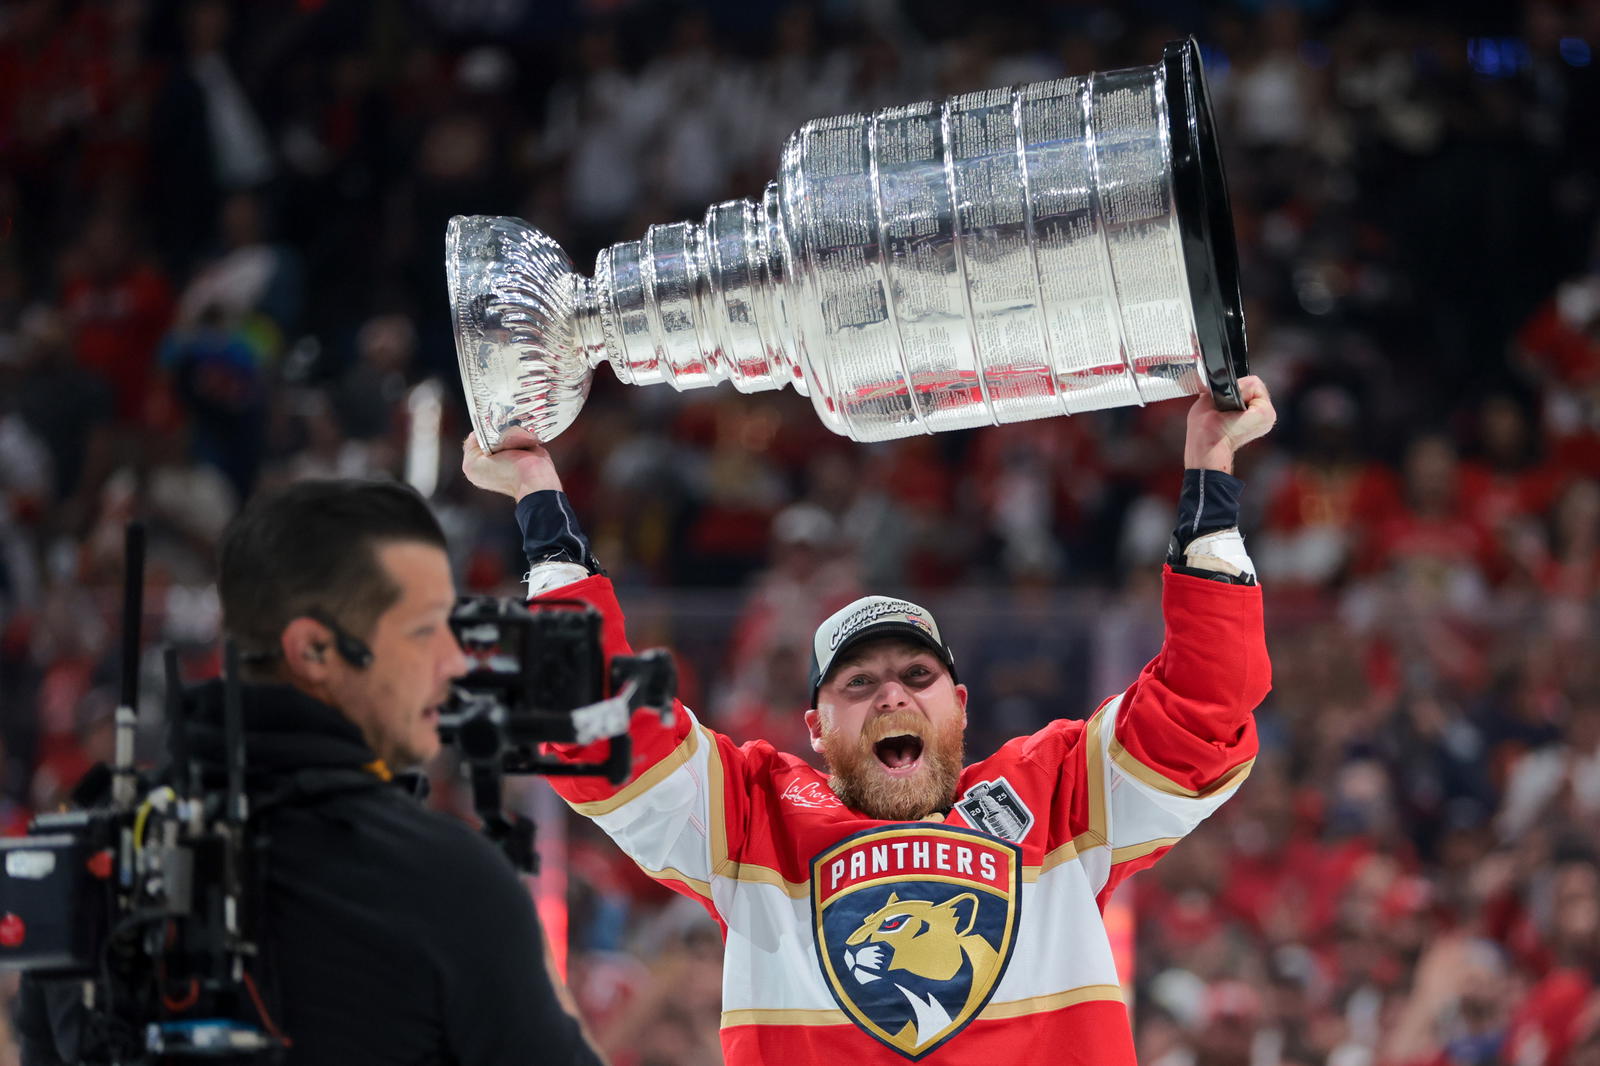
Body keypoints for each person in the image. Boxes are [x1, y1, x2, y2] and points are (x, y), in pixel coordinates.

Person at [463, 377, 1278, 1065]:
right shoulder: (754, 819)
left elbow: (1206, 708)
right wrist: (540, 503)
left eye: (917, 677)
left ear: (959, 708)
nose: (892, 696)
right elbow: (591, 728)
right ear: (813, 728)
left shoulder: (1059, 793)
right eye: (858, 684)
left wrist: (1210, 475)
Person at [17, 480, 603, 1066]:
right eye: (424, 630)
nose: (454, 661)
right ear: (314, 650)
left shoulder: (90, 863)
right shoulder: (452, 882)